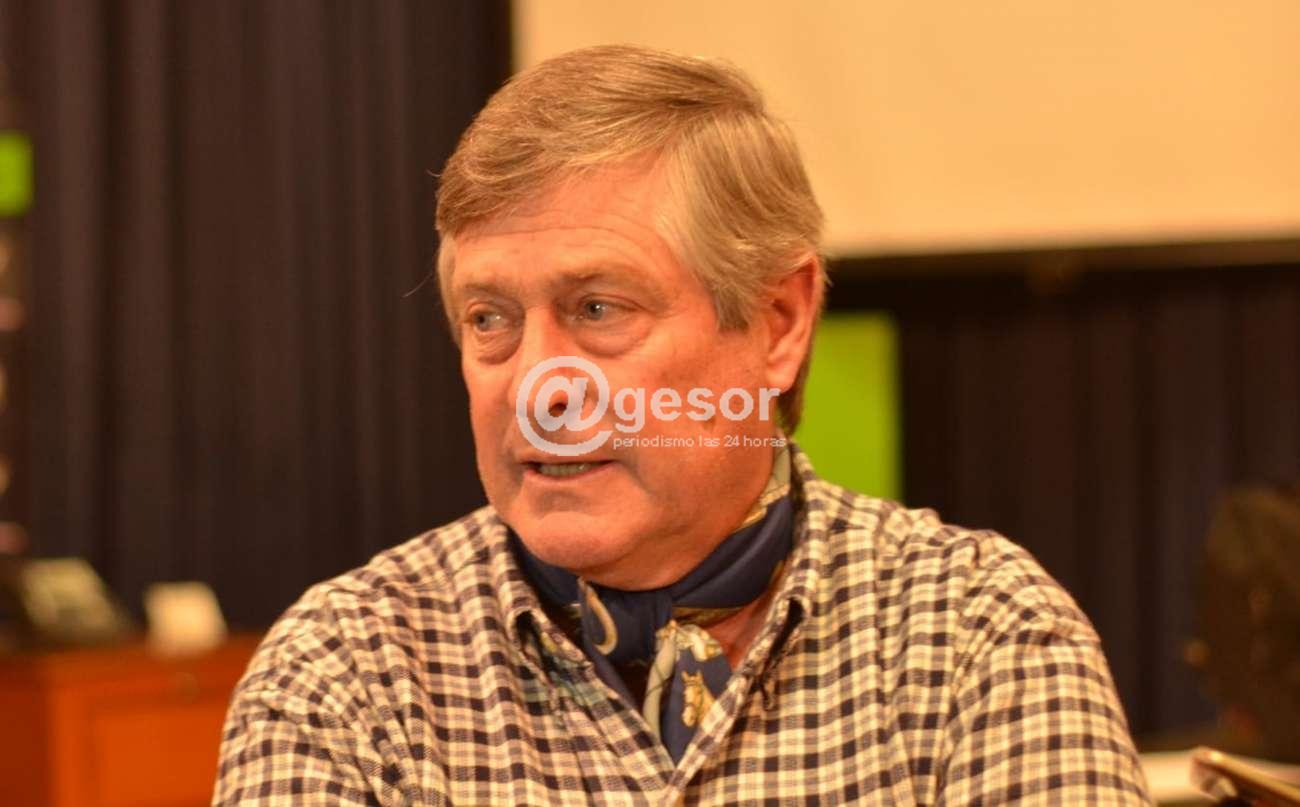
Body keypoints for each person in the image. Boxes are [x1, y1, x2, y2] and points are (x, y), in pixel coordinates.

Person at [215, 45, 1150, 805]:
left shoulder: (980, 637)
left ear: (778, 323)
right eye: (490, 319)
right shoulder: (348, 674)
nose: (539, 386)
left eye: (598, 309)